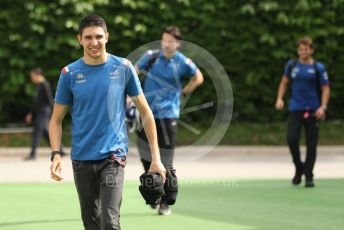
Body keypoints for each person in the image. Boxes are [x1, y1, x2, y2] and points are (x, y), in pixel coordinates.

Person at [49, 14, 166, 230]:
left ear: (107, 37)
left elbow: (146, 113)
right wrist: (55, 154)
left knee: (110, 222)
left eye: (99, 37)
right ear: (79, 39)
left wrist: (156, 159)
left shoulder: (123, 67)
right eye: (88, 37)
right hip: (81, 159)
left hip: (113, 157)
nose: (94, 42)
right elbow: (55, 120)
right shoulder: (69, 73)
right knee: (91, 223)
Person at [134, 26, 204, 215]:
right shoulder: (151, 56)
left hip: (168, 115)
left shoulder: (182, 61)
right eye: (164, 40)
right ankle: (153, 194)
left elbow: (198, 77)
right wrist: (129, 94)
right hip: (145, 113)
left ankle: (165, 201)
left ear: (178, 44)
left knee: (166, 160)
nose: (166, 44)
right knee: (145, 156)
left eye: (171, 41)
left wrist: (185, 91)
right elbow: (133, 72)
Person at [275, 37, 330, 188]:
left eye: (305, 49)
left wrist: (323, 107)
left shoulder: (318, 68)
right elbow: (284, 82)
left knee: (311, 145)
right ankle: (299, 168)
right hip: (295, 109)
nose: (303, 52)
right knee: (292, 139)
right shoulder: (292, 65)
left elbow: (325, 89)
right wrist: (280, 98)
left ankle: (309, 175)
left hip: (313, 111)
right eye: (300, 49)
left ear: (311, 50)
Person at [24, 68, 55, 160]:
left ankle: (32, 154)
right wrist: (31, 113)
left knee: (37, 132)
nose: (32, 78)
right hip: (40, 112)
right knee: (45, 133)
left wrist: (54, 113)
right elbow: (36, 103)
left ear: (38, 75)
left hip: (44, 112)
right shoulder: (39, 86)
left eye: (32, 76)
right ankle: (59, 150)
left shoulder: (45, 85)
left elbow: (50, 99)